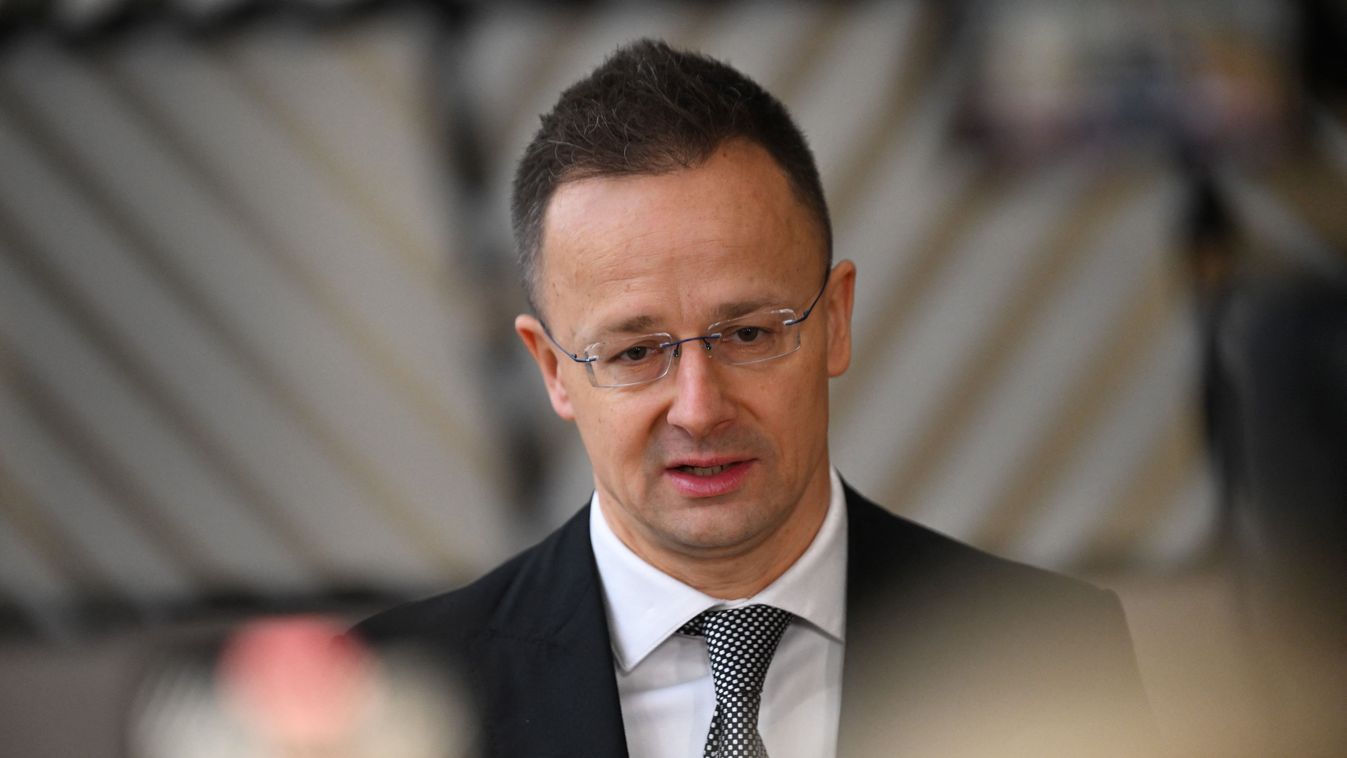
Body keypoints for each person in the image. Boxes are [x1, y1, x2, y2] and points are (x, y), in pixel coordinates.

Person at [356, 39, 1155, 757]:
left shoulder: (1048, 655)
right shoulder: (391, 699)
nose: (699, 408)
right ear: (553, 371)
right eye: (634, 352)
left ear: (834, 320)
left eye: (746, 334)